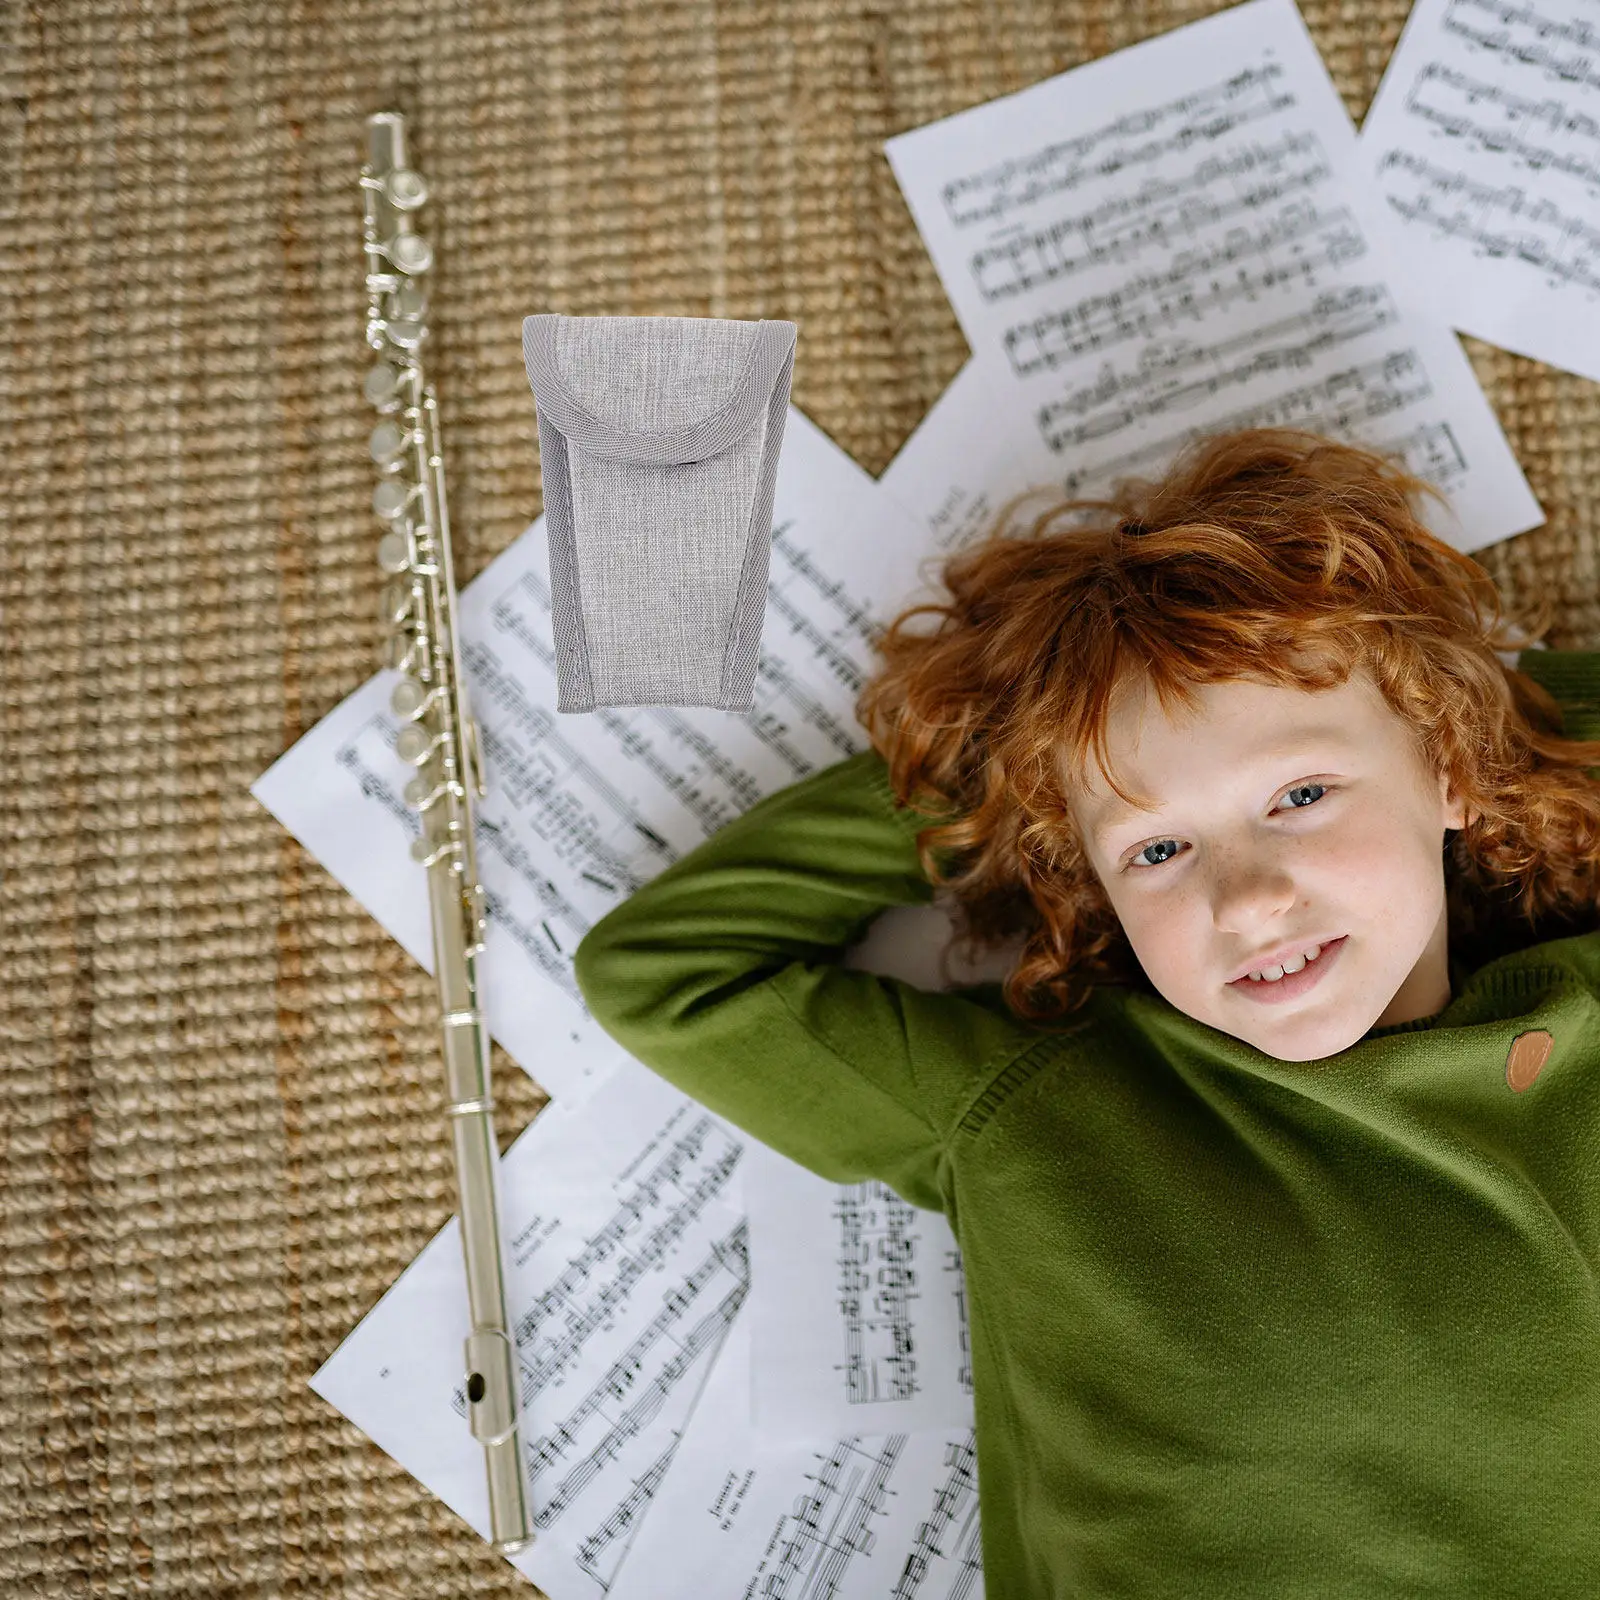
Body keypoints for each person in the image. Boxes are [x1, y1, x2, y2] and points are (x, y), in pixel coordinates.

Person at [573, 426, 1600, 1596]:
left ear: (1449, 768)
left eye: (1301, 793)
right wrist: (1014, 763)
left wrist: (1486, 706)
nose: (1248, 897)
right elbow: (666, 973)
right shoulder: (1040, 1108)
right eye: (1157, 846)